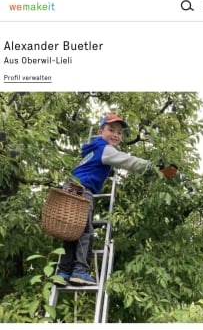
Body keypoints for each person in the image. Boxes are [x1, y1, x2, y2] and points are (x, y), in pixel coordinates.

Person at [54, 114, 177, 286]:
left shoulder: (91, 151)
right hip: (82, 192)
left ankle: (63, 272)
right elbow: (128, 161)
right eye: (111, 130)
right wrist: (155, 168)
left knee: (71, 232)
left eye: (119, 132)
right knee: (85, 232)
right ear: (100, 131)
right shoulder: (105, 149)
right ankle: (80, 271)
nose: (116, 135)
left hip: (69, 190)